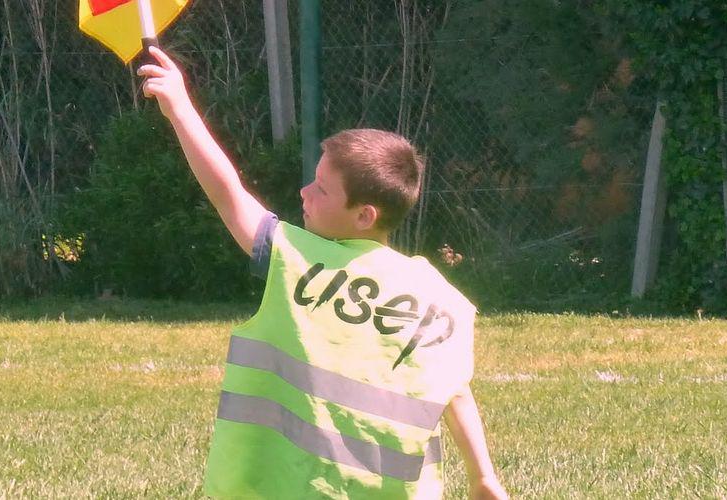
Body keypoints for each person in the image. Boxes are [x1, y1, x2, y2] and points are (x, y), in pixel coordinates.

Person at [138, 47, 508, 499]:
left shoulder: (298, 258)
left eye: (322, 189)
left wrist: (180, 109)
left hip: (285, 486)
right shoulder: (439, 297)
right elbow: (455, 391)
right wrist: (482, 476)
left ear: (364, 216)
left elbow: (227, 194)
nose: (304, 192)